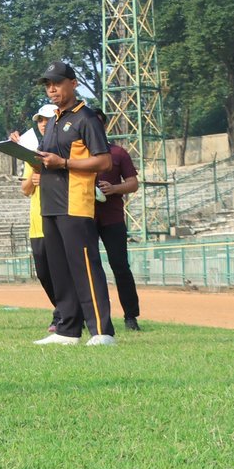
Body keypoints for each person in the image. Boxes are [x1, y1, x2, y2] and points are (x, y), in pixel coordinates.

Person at [31, 61, 116, 347]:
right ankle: (67, 330)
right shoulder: (53, 119)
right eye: (47, 85)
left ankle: (102, 330)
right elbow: (51, 157)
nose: (51, 89)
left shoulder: (86, 118)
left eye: (57, 83)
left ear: (73, 84)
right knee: (60, 269)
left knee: (85, 266)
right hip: (50, 202)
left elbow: (104, 160)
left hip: (75, 202)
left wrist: (64, 162)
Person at [19, 104, 63, 334]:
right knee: (44, 273)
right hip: (37, 224)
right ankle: (63, 310)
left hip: (57, 220)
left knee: (60, 271)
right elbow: (26, 189)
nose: (43, 124)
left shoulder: (63, 148)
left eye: (47, 119)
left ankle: (62, 315)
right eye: (39, 121)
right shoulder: (33, 153)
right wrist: (34, 177)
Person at [97, 141, 143, 331]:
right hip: (83, 219)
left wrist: (114, 189)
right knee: (86, 270)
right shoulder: (76, 152)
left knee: (121, 267)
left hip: (112, 219)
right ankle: (88, 316)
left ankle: (131, 316)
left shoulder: (118, 153)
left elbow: (133, 183)